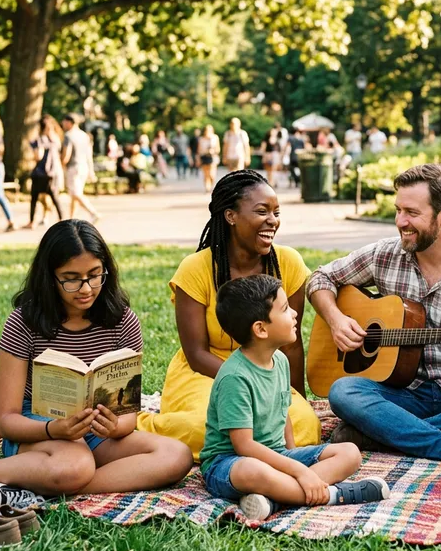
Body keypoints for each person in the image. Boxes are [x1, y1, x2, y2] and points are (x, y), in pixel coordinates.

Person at [0, 220, 192, 508]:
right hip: (38, 430)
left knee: (177, 455)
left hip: (95, 434)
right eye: (71, 278)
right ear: (50, 277)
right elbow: (7, 421)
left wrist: (112, 427)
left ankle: (43, 490)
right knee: (76, 465)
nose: (85, 288)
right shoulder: (24, 323)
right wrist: (54, 430)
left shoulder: (122, 321)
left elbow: (129, 419)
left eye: (95, 275)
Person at [307, 164, 441, 470]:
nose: (400, 222)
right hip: (397, 392)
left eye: (411, 212)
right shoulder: (384, 255)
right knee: (343, 391)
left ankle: (380, 434)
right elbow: (320, 278)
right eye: (398, 210)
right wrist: (336, 319)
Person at [137, 170, 321, 458]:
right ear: (230, 216)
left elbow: (291, 346)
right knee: (208, 426)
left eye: (276, 212)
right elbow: (196, 353)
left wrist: (297, 398)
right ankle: (139, 428)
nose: (272, 220)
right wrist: (246, 384)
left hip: (268, 370)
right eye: (262, 211)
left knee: (304, 426)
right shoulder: (195, 269)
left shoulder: (288, 263)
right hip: (208, 371)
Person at [201, 274, 390, 521]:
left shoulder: (279, 360)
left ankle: (275, 499)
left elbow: (283, 414)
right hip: (228, 464)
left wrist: (293, 456)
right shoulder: (235, 377)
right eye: (285, 309)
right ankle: (334, 494)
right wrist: (299, 470)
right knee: (254, 470)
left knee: (349, 453)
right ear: (260, 329)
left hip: (276, 455)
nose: (295, 314)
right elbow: (244, 445)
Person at [24, 115, 65, 229]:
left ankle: (32, 221)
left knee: (34, 197)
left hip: (40, 172)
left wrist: (33, 156)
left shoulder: (40, 140)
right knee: (54, 196)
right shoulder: (55, 139)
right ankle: (62, 218)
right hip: (53, 172)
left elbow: (39, 156)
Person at [61, 114, 99, 223]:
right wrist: (91, 170)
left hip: (73, 167)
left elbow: (66, 155)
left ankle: (93, 213)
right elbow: (89, 154)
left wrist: (62, 165)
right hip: (84, 167)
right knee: (75, 194)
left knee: (75, 193)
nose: (63, 124)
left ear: (69, 122)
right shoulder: (84, 136)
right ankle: (71, 218)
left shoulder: (68, 135)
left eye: (64, 121)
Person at [197, 124, 220, 192]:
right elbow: (199, 150)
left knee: (211, 174)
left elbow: (218, 149)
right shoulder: (201, 139)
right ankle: (207, 187)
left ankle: (212, 184)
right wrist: (198, 158)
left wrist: (213, 151)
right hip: (204, 157)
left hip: (212, 157)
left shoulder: (215, 138)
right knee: (206, 174)